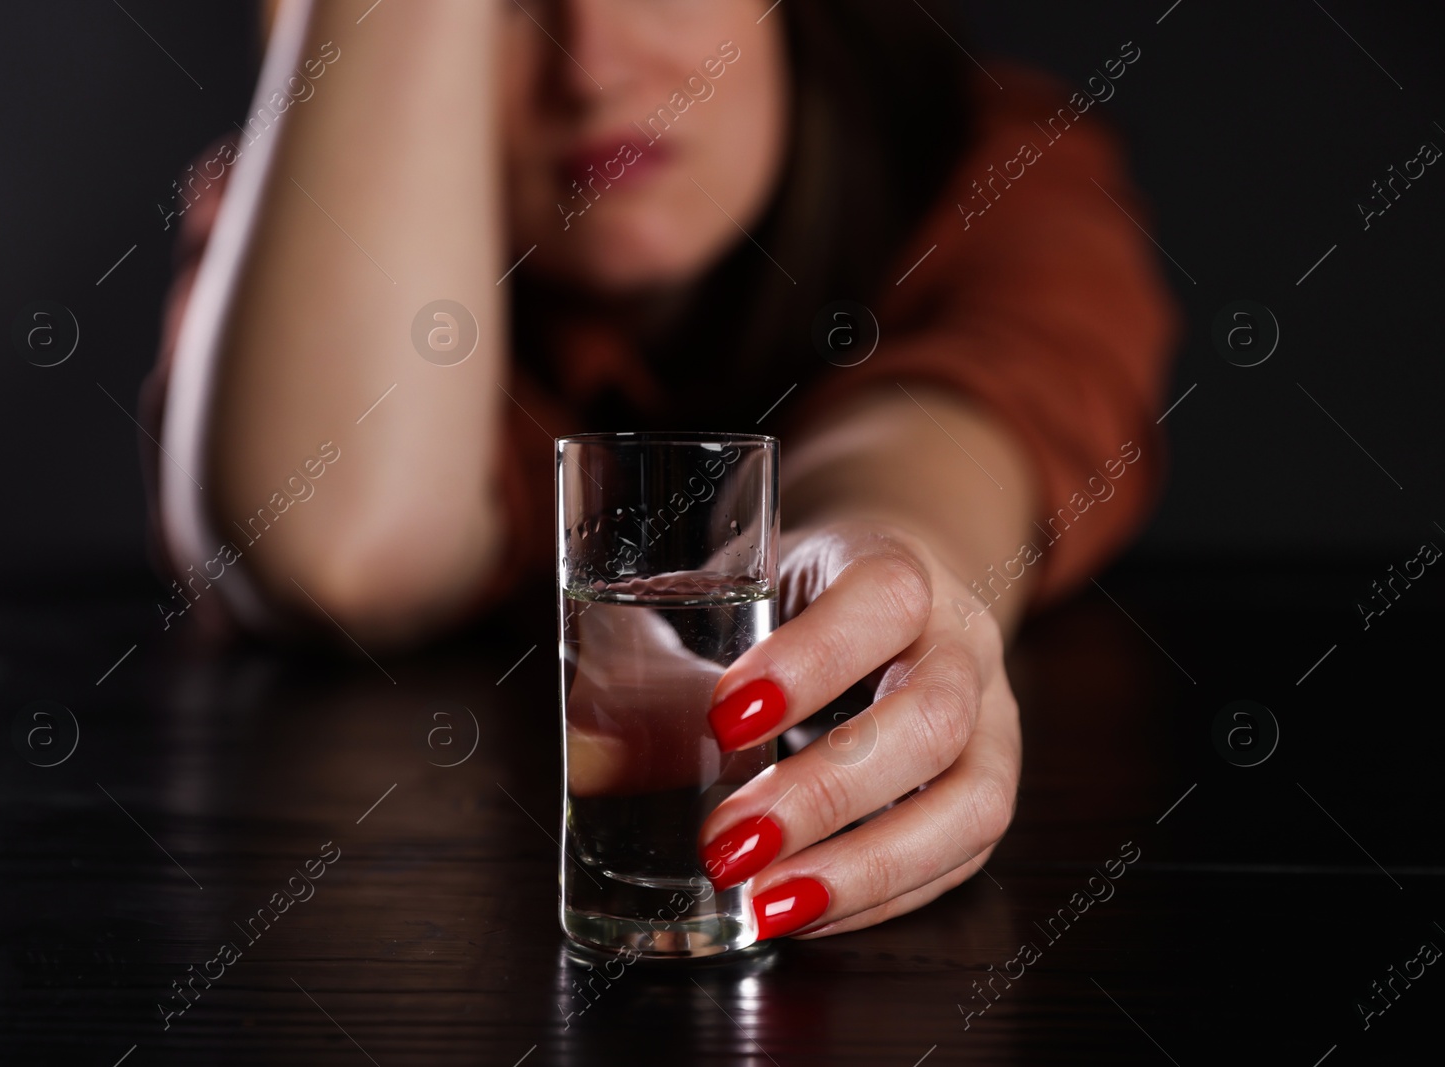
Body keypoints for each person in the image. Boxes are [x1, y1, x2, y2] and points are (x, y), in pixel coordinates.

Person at [143, 0, 1177, 943]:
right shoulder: (291, 235)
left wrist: (881, 556)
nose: (590, 68)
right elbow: (342, 547)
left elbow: (965, 409)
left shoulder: (989, 166)